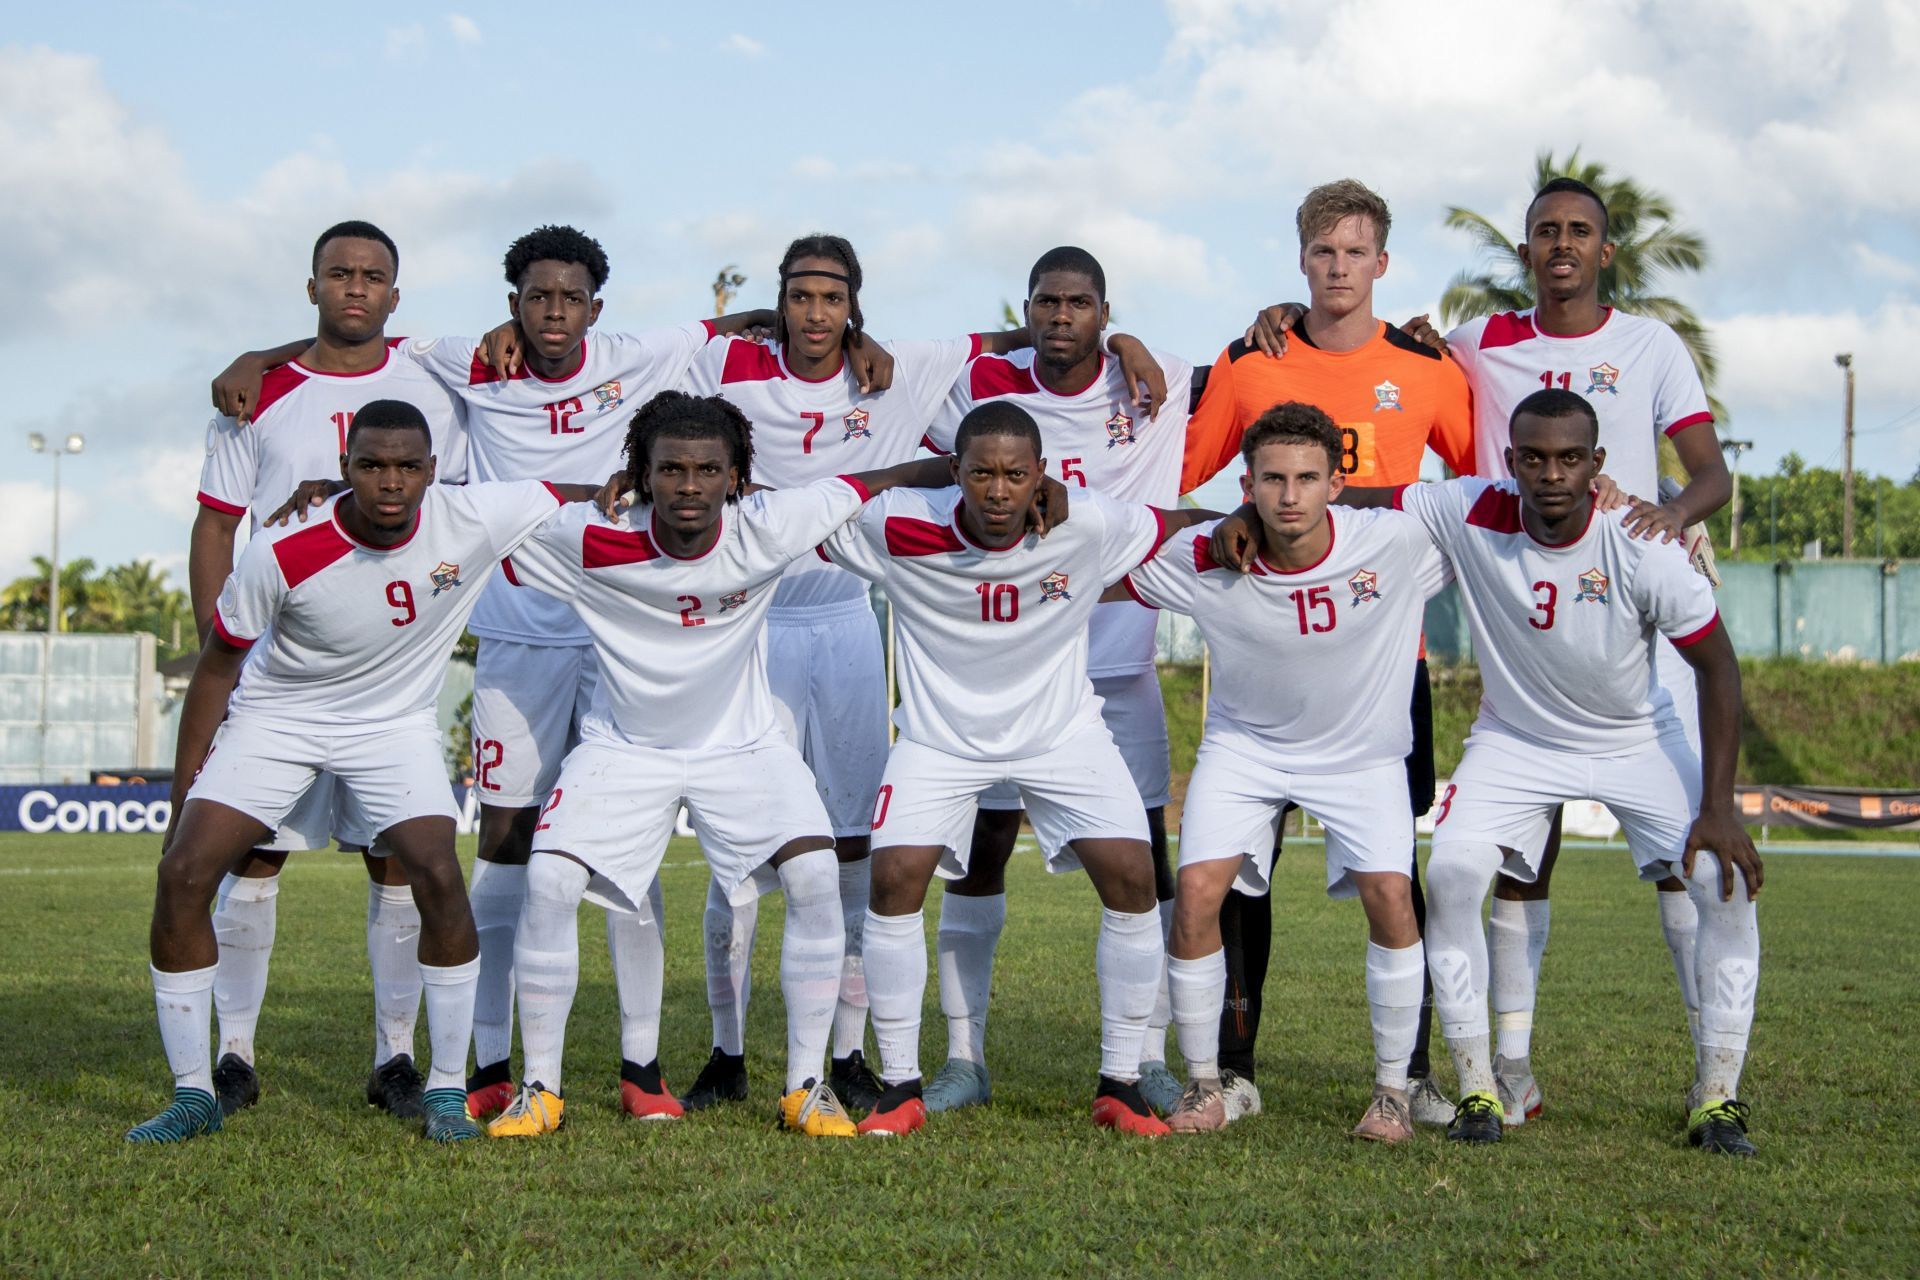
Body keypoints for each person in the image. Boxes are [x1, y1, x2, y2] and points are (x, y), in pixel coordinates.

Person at [214, 225, 783, 1122]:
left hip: (622, 632)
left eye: (571, 298)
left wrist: (856, 333)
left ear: (597, 306)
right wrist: (258, 354)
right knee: (506, 842)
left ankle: (641, 1065)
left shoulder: (645, 353)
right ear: (511, 302)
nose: (553, 313)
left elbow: (759, 322)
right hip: (517, 639)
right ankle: (486, 1057)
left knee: (631, 852)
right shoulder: (466, 363)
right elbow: (352, 344)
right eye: (535, 297)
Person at [1244, 176, 1733, 1127]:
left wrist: (1669, 517)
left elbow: (1708, 471)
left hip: (1635, 609)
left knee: (1687, 865)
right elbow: (1384, 353)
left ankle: (1712, 1076)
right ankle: (1511, 1067)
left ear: (1606, 250)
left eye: (1579, 231)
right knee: (1517, 860)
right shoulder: (1476, 343)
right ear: (1524, 250)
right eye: (1546, 230)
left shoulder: (1650, 344)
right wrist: (1288, 319)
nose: (1562, 245)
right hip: (1529, 616)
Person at [480, 391, 1037, 1138]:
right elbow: (473, 511)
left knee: (814, 875)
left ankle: (806, 1087)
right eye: (669, 469)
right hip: (623, 746)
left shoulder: (768, 526)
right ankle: (540, 1090)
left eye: (708, 470)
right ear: (641, 475)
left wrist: (994, 475)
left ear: (738, 476)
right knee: (548, 882)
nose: (688, 486)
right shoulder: (592, 537)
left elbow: (877, 480)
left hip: (742, 747)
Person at [130, 400, 590, 1145]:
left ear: (432, 472)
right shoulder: (281, 549)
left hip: (392, 725)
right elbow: (217, 668)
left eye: (408, 467)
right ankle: (193, 1094)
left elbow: (572, 493)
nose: (390, 483)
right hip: (279, 716)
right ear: (343, 469)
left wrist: (630, 482)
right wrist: (186, 796)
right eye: (372, 465)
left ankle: (442, 1089)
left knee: (436, 872)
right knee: (184, 872)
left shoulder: (472, 515)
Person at [819, 402, 1217, 1138]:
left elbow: (1175, 522)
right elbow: (815, 506)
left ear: (1042, 475)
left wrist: (1237, 522)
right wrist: (914, 469)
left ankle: (1121, 1080)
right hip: (941, 739)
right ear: (955, 473)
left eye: (1014, 474)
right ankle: (902, 1081)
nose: (997, 491)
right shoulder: (899, 525)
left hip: (1062, 734)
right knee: (892, 876)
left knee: (1134, 877)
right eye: (979, 473)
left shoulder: (1086, 522)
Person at [1393, 389, 1761, 1153]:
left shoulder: (1641, 541)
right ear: (1511, 461)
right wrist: (1251, 510)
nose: (1550, 475)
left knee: (1717, 878)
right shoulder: (1469, 508)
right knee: (1453, 873)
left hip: (1634, 738)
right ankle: (1483, 1090)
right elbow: (1358, 496)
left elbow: (1718, 669)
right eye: (1534, 458)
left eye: (1569, 459)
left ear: (1598, 465)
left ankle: (1717, 1094)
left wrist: (1719, 806)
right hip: (1515, 740)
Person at [1179, 181, 1474, 1125]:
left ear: (1382, 263)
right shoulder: (1248, 360)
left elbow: (1482, 496)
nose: (1339, 269)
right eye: (1323, 253)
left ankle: (1411, 1072)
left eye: (1357, 253)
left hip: (1383, 666)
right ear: (1300, 259)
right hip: (1267, 660)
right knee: (1232, 867)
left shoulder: (1429, 368)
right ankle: (1233, 1066)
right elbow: (1183, 481)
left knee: (1397, 869)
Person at [191, 219, 469, 1122]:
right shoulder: (257, 392)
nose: (356, 287)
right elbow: (217, 521)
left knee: (396, 864)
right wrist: (216, 637)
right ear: (311, 285)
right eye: (338, 274)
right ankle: (234, 1055)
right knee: (256, 855)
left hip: (391, 676)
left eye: (373, 275)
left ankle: (395, 1057)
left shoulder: (436, 381)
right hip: (283, 672)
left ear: (397, 292)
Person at [1124, 403, 1452, 1141]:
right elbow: (1106, 570)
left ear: (1339, 482)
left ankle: (1393, 1091)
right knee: (1198, 893)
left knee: (1392, 896)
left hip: (1362, 755)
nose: (1290, 495)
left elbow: (1501, 536)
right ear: (1248, 484)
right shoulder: (1209, 559)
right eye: (1272, 479)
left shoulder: (1393, 543)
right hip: (1246, 750)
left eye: (1308, 477)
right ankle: (1206, 1083)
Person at [916, 247, 1191, 1115]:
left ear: (1105, 313)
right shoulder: (982, 384)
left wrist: (1137, 344)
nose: (1061, 316)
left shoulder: (1163, 382)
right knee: (982, 852)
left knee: (1145, 861)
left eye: (1080, 303)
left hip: (1117, 666)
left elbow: (1273, 363)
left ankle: (1142, 1057)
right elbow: (904, 405)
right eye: (1045, 302)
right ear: (1026, 308)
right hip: (1010, 672)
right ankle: (965, 1057)